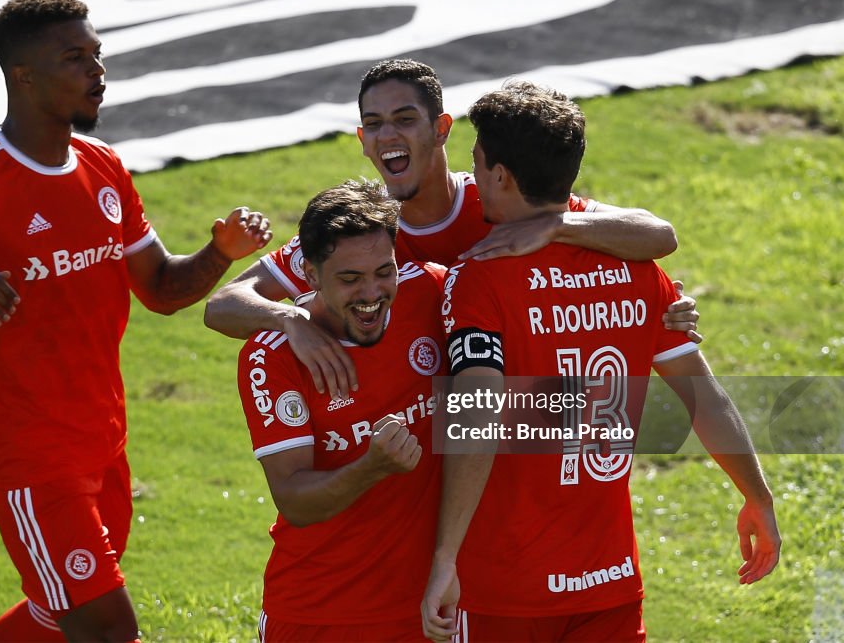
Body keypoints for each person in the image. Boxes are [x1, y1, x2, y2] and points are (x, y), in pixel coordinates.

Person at [0, 0, 272, 643]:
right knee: (107, 627)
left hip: (103, 438)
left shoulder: (103, 168)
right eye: (75, 58)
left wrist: (219, 253)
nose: (97, 71)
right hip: (29, 450)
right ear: (24, 75)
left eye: (97, 54)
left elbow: (159, 286)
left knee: (55, 617)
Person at [420, 82, 781, 642]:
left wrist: (444, 557)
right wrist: (758, 497)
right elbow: (703, 396)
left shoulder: (480, 280)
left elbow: (477, 417)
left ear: (500, 175)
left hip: (503, 588)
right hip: (608, 581)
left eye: (477, 161)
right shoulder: (637, 270)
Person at [206, 59, 699, 400]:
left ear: (441, 129)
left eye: (404, 119)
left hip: (520, 440)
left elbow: (657, 234)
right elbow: (223, 304)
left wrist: (557, 225)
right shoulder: (363, 233)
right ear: (362, 140)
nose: (388, 135)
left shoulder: (501, 200)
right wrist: (291, 321)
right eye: (374, 124)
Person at [237, 180, 447, 641]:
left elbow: (491, 406)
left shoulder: (430, 294)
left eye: (383, 271)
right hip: (319, 613)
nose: (372, 293)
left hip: (427, 610)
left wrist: (622, 416)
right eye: (350, 279)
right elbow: (294, 500)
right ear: (310, 275)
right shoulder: (273, 357)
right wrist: (371, 466)